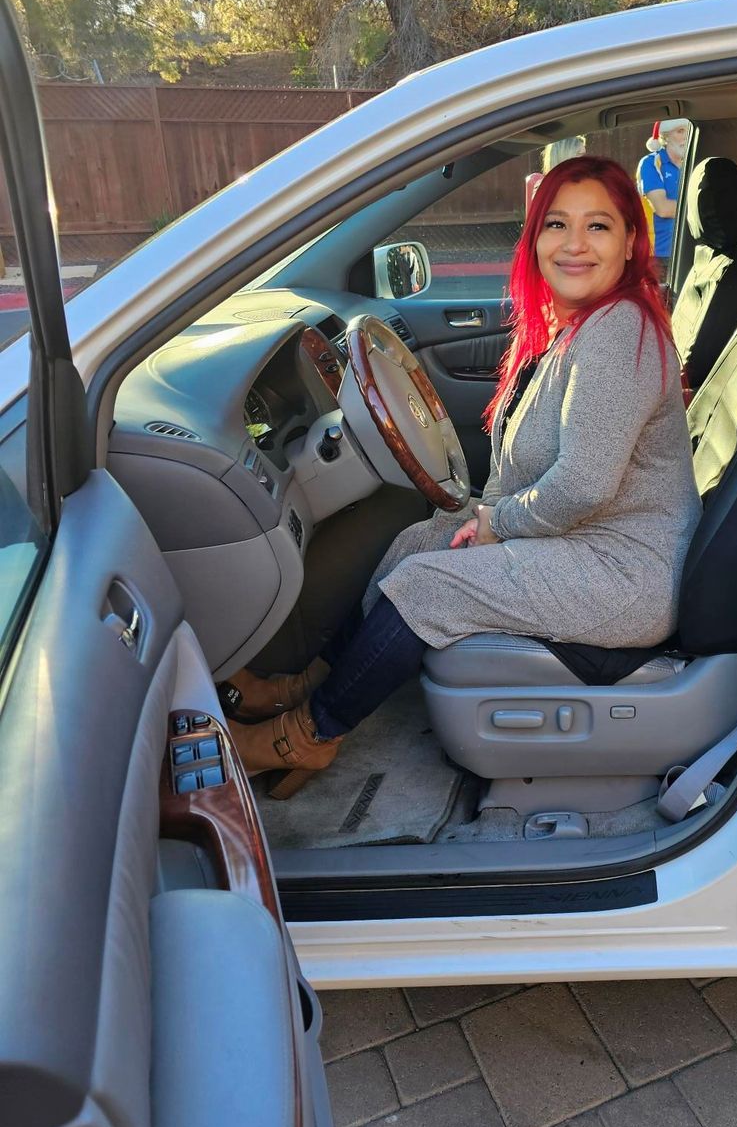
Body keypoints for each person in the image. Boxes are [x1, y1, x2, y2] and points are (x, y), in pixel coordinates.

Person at [227, 155, 703, 796]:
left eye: (599, 227)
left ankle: (308, 736)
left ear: (629, 243)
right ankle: (308, 683)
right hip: (592, 541)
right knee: (416, 543)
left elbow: (585, 485)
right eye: (557, 224)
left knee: (425, 584)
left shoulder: (620, 331)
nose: (574, 244)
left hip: (625, 572)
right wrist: (480, 519)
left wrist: (496, 524)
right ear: (535, 238)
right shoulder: (576, 327)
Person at [637, 119, 692, 274]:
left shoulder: (692, 164)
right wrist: (700, 207)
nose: (686, 136)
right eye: (680, 131)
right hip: (657, 255)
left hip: (687, 251)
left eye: (688, 131)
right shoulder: (651, 163)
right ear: (665, 137)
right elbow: (663, 209)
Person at [525, 135, 587, 215]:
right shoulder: (546, 192)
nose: (586, 161)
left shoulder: (582, 186)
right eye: (580, 155)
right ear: (565, 157)